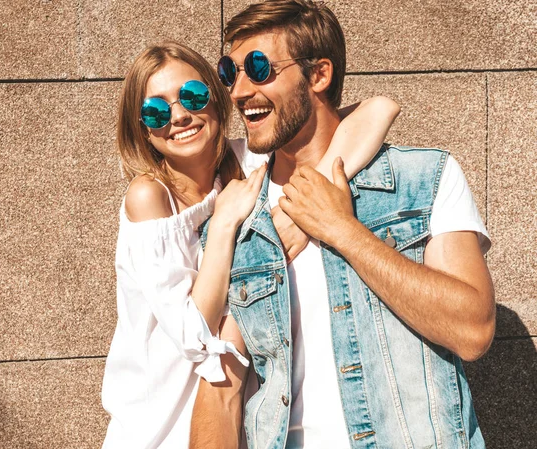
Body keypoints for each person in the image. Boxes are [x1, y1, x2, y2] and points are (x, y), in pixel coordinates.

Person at [190, 1, 496, 449]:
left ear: (319, 75)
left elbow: (473, 330)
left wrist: (343, 230)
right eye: (229, 71)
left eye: (258, 68)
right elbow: (223, 388)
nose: (238, 90)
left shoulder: (422, 180)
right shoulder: (234, 220)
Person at [100, 41, 401, 449]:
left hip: (224, 424)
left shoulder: (245, 163)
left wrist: (300, 219)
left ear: (215, 99)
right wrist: (223, 223)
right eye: (156, 110)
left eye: (193, 96)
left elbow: (380, 109)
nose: (180, 116)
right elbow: (194, 336)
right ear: (142, 129)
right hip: (155, 431)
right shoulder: (149, 197)